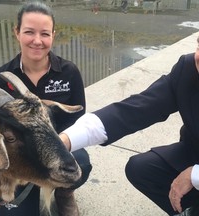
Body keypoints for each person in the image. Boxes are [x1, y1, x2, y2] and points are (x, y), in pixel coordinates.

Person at [60, 36, 199, 216]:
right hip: (193, 151)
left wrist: (193, 176)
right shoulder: (188, 68)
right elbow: (133, 110)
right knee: (141, 168)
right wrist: (62, 142)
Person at [0, 2, 92, 216]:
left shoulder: (69, 72)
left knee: (81, 162)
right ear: (16, 32)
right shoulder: (0, 77)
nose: (37, 41)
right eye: (29, 32)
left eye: (45, 33)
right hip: (20, 162)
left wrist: (55, 149)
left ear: (53, 35)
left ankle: (64, 194)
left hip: (58, 147)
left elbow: (79, 121)